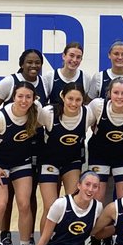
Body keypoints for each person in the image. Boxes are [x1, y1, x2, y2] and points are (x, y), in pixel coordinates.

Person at [0, 49, 51, 245]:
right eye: (29, 62)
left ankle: (26, 244)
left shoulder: (42, 92)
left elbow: (47, 121)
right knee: (2, 202)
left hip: (27, 152)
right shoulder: (5, 98)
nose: (34, 65)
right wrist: (4, 125)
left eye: (37, 62)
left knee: (26, 200)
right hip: (2, 156)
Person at [6, 171, 102, 245]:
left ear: (98, 189)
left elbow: (97, 232)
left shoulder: (97, 207)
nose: (90, 189)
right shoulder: (61, 204)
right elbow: (45, 238)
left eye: (95, 186)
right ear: (79, 185)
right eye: (87, 184)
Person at [38, 82, 94, 212]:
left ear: (83, 100)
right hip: (49, 161)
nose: (74, 103)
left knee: (73, 204)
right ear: (63, 97)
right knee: (50, 208)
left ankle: (66, 233)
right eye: (70, 99)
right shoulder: (48, 113)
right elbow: (34, 128)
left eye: (78, 100)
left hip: (72, 161)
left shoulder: (88, 114)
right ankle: (47, 233)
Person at [86, 77, 123, 200]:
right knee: (97, 198)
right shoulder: (98, 106)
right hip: (99, 155)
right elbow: (81, 124)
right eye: (116, 92)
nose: (119, 96)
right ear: (109, 93)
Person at [46, 42, 88, 107]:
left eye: (78, 57)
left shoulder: (85, 78)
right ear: (63, 56)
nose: (74, 60)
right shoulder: (50, 77)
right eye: (71, 55)